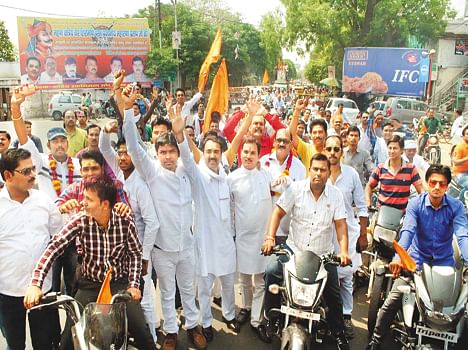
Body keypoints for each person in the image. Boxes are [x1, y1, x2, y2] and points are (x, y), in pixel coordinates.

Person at [117, 73, 207, 350]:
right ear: (156, 153)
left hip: (186, 246)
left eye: (172, 151)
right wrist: (128, 112)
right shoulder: (152, 172)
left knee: (188, 290)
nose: (168, 156)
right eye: (163, 151)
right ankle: (170, 331)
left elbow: (191, 160)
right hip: (161, 248)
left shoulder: (186, 170)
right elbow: (132, 145)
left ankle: (193, 326)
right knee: (166, 293)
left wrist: (180, 134)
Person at [23, 177, 156, 350]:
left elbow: (135, 254)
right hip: (90, 284)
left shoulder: (125, 221)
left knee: (142, 333)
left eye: (89, 200)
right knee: (70, 339)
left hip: (119, 284)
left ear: (105, 204)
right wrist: (35, 284)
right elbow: (54, 247)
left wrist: (133, 286)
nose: (83, 203)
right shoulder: (80, 220)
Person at [366, 165, 468, 350]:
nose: (437, 186)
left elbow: (462, 235)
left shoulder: (456, 206)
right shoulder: (415, 204)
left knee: (458, 309)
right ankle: (375, 341)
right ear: (427, 183)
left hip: (443, 265)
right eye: (433, 182)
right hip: (415, 262)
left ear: (447, 186)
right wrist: (398, 258)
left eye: (442, 183)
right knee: (392, 301)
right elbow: (407, 232)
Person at [261, 153, 351, 350]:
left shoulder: (336, 195)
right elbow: (278, 212)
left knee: (334, 294)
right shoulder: (295, 189)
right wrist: (270, 238)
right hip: (294, 250)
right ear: (309, 171)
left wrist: (343, 251)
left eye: (323, 170)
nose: (318, 173)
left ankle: (338, 333)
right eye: (315, 169)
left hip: (323, 256)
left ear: (329, 173)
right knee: (270, 273)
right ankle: (272, 318)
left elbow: (341, 226)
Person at [172, 105, 241, 341]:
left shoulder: (226, 176)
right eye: (209, 151)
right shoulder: (198, 176)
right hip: (204, 245)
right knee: (204, 289)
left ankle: (230, 315)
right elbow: (188, 161)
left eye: (216, 152)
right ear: (204, 153)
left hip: (225, 244)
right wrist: (181, 136)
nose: (212, 156)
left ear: (221, 154)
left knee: (229, 285)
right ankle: (207, 322)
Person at [99, 122, 160, 342]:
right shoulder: (118, 175)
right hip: (118, 248)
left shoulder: (140, 184)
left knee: (144, 297)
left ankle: (151, 337)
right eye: (120, 153)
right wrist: (106, 131)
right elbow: (105, 149)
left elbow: (152, 223)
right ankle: (127, 336)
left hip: (139, 250)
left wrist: (144, 256)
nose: (122, 157)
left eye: (127, 153)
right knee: (122, 295)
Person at [0, 148, 62, 350]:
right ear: (8, 176)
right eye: (26, 172)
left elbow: (58, 238)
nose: (33, 175)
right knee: (14, 344)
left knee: (46, 344)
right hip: (8, 291)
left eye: (33, 169)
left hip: (42, 290)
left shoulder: (43, 201)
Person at [228, 137, 273, 341]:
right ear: (240, 154)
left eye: (252, 153)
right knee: (244, 279)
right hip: (243, 237)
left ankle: (256, 319)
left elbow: (284, 184)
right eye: (245, 152)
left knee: (261, 280)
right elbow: (229, 209)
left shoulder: (266, 175)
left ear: (258, 156)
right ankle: (245, 309)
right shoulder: (232, 178)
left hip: (264, 238)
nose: (248, 156)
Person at [324, 135, 368, 339]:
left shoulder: (351, 174)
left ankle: (346, 315)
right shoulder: (319, 172)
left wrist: (362, 233)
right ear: (324, 151)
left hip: (347, 234)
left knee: (346, 277)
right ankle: (325, 315)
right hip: (323, 233)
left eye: (336, 149)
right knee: (324, 277)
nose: (332, 153)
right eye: (329, 149)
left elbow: (361, 205)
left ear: (342, 152)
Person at [10, 85, 81, 200]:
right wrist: (15, 109)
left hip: (74, 215)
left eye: (63, 141)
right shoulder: (41, 163)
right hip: (49, 214)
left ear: (68, 144)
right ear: (48, 145)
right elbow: (24, 139)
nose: (59, 145)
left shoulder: (78, 164)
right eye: (55, 141)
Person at [260, 128, 306, 244]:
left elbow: (300, 199)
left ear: (291, 144)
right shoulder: (262, 163)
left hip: (287, 232)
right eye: (279, 140)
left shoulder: (299, 167)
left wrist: (287, 182)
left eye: (285, 141)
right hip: (263, 229)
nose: (281, 144)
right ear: (274, 142)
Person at [365, 135, 423, 211]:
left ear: (402, 150)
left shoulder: (411, 169)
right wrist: (368, 202)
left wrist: (421, 206)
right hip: (382, 214)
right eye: (390, 148)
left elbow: (421, 191)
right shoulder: (380, 168)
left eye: (395, 148)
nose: (392, 151)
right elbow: (369, 185)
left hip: (403, 215)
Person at [223, 101, 286, 165]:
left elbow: (284, 132)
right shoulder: (241, 141)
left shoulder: (269, 142)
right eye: (255, 123)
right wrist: (242, 111)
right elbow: (227, 130)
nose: (258, 126)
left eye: (261, 124)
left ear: (265, 129)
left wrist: (266, 115)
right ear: (249, 127)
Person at [290, 98, 328, 175]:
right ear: (310, 134)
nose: (317, 135)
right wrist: (297, 111)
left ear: (326, 134)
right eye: (314, 132)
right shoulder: (306, 149)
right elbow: (292, 134)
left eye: (320, 132)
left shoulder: (332, 151)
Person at [452, 124, 468, 190]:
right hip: (459, 174)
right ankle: (462, 200)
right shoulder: (460, 147)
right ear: (463, 136)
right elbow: (455, 162)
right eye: (467, 134)